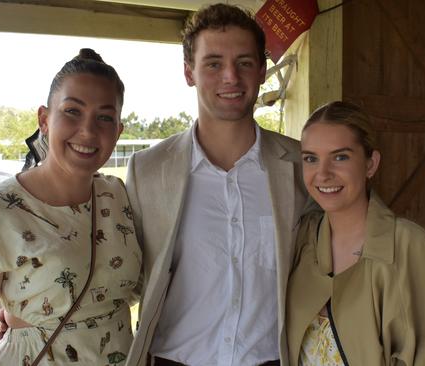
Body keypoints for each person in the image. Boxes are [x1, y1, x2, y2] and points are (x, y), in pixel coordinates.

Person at [124, 3, 310, 366]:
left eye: (244, 62)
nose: (230, 77)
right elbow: (119, 274)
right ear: (189, 73)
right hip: (172, 359)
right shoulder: (147, 170)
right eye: (213, 64)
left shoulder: (301, 165)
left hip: (274, 359)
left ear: (261, 70)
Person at [0, 49, 141, 365]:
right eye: (73, 111)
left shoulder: (120, 197)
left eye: (104, 117)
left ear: (118, 131)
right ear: (44, 120)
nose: (88, 131)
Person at [285, 101, 425, 365]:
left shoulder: (409, 245)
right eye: (311, 159)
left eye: (340, 157)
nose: (322, 174)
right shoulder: (304, 236)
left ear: (371, 164)